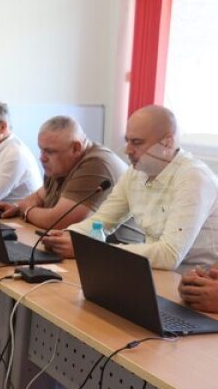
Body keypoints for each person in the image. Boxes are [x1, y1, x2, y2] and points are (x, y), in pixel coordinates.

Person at [43, 105, 218, 271]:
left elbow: (169, 255)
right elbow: (101, 223)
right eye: (127, 141)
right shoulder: (135, 173)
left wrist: (90, 249)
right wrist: (68, 235)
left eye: (137, 142)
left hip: (193, 280)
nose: (127, 150)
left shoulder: (193, 177)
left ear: (167, 142)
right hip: (151, 271)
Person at [0, 116, 126, 229]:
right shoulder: (61, 164)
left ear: (76, 148)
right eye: (41, 150)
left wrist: (26, 210)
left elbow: (59, 221)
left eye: (49, 151)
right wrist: (16, 207)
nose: (42, 158)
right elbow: (39, 196)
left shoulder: (96, 165)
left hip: (115, 250)